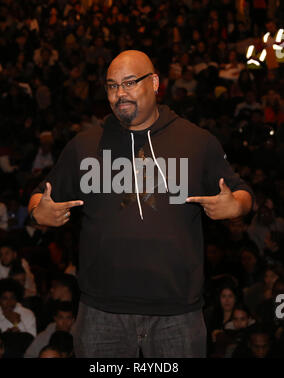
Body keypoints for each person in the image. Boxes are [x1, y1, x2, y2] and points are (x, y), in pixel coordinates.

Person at [28, 50, 253, 358]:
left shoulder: (196, 141)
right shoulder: (84, 145)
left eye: (130, 82)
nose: (120, 93)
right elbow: (41, 195)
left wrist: (237, 207)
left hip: (177, 313)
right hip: (101, 312)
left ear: (155, 83)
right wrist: (38, 210)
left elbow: (242, 192)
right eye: (111, 85)